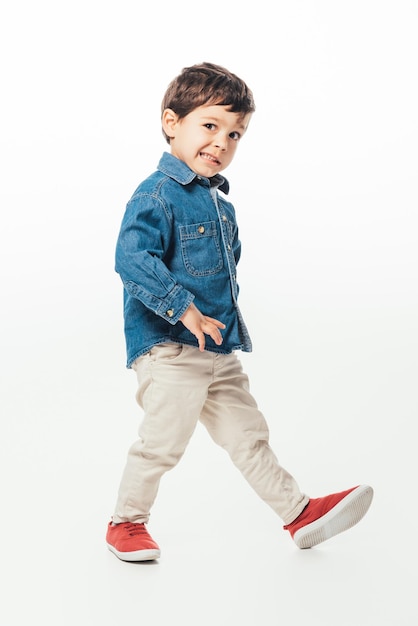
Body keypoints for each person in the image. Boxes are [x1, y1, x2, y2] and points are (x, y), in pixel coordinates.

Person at [106, 62, 373, 562]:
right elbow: (131, 260)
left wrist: (217, 328)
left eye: (235, 134)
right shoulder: (156, 194)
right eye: (210, 126)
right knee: (162, 443)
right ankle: (126, 522)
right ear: (171, 122)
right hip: (169, 350)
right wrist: (184, 311)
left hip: (217, 349)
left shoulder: (222, 208)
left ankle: (299, 514)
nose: (222, 143)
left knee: (248, 435)